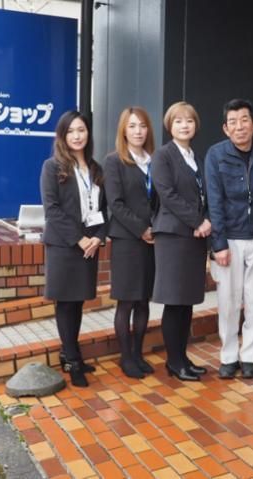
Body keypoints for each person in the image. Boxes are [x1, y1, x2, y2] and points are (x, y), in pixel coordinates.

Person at [205, 99, 253, 380]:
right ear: (226, 128)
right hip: (229, 240)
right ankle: (228, 356)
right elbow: (214, 201)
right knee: (228, 301)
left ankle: (250, 356)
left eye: (244, 120)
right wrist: (218, 244)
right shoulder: (216, 155)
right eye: (233, 122)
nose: (239, 126)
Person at [40, 110, 107, 388]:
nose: (77, 136)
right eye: (71, 131)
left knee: (78, 302)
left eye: (82, 130)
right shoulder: (52, 167)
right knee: (66, 303)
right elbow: (52, 210)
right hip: (65, 246)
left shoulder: (95, 169)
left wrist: (98, 238)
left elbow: (103, 210)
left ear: (88, 133)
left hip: (89, 246)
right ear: (62, 136)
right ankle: (71, 360)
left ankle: (71, 352)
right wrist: (79, 239)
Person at [151, 101, 210, 382]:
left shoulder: (195, 157)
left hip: (193, 238)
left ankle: (183, 357)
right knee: (174, 301)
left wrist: (204, 220)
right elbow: (168, 195)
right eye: (178, 121)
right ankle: (174, 362)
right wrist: (197, 221)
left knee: (187, 302)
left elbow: (202, 196)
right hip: (174, 236)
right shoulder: (163, 156)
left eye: (189, 120)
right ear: (169, 126)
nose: (184, 125)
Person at [104, 107, 157, 379]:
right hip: (127, 240)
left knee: (143, 300)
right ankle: (126, 358)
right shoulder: (114, 161)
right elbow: (116, 204)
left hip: (152, 240)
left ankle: (138, 354)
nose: (138, 131)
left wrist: (155, 228)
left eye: (143, 126)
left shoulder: (154, 161)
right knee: (126, 301)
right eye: (132, 126)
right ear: (124, 130)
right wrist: (141, 229)